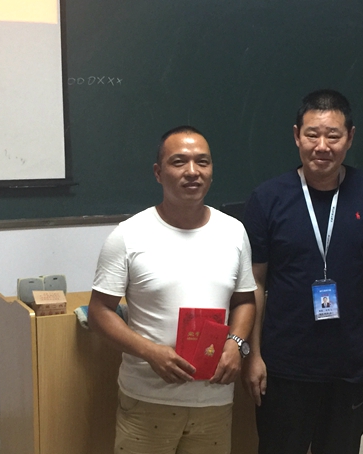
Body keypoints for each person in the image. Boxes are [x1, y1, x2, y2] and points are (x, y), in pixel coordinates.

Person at [242, 89, 363, 454]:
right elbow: (253, 281)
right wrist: (253, 355)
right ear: (296, 136)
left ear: (349, 137)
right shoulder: (268, 198)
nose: (322, 146)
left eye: (333, 135)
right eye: (312, 135)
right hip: (283, 365)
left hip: (350, 365)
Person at [88, 125, 256, 454]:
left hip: (214, 397)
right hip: (148, 397)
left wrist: (236, 345)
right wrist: (150, 352)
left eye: (202, 162)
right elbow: (99, 311)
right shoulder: (128, 236)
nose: (192, 171)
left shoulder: (234, 232)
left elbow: (245, 300)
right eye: (179, 162)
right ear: (158, 172)